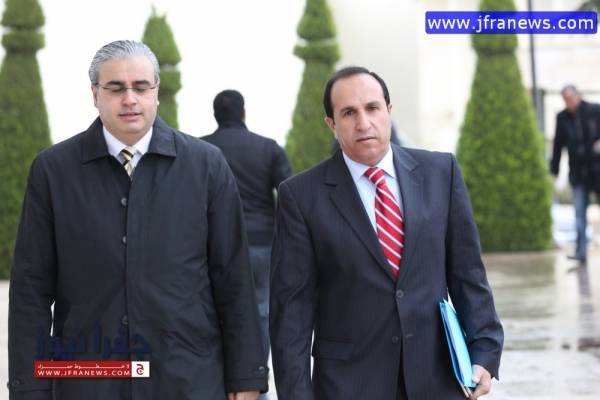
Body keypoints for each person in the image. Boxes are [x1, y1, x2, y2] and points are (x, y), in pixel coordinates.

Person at [8, 40, 267, 400]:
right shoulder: (53, 172)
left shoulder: (206, 166)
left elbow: (234, 277)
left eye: (141, 87)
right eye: (116, 88)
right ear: (95, 94)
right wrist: (30, 388)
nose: (129, 99)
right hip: (90, 381)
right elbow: (31, 291)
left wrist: (246, 376)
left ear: (156, 92)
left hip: (187, 380)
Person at [270, 66, 503, 400]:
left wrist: (484, 351)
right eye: (349, 113)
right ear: (331, 124)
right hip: (349, 385)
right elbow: (291, 312)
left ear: (389, 111)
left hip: (437, 378)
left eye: (372, 108)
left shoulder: (441, 173)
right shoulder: (301, 196)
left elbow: (468, 273)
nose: (364, 123)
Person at [201, 89, 292, 366]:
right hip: (261, 243)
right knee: (262, 309)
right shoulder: (268, 148)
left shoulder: (200, 150)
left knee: (215, 309)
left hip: (214, 244)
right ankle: (256, 371)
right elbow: (289, 196)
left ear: (215, 115)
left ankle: (226, 371)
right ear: (243, 112)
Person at [550, 85, 600, 265]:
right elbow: (558, 145)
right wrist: (554, 169)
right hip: (578, 174)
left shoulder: (595, 110)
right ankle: (581, 252)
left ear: (578, 95)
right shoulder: (562, 118)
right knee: (579, 214)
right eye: (565, 99)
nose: (568, 102)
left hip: (597, 171)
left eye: (570, 98)